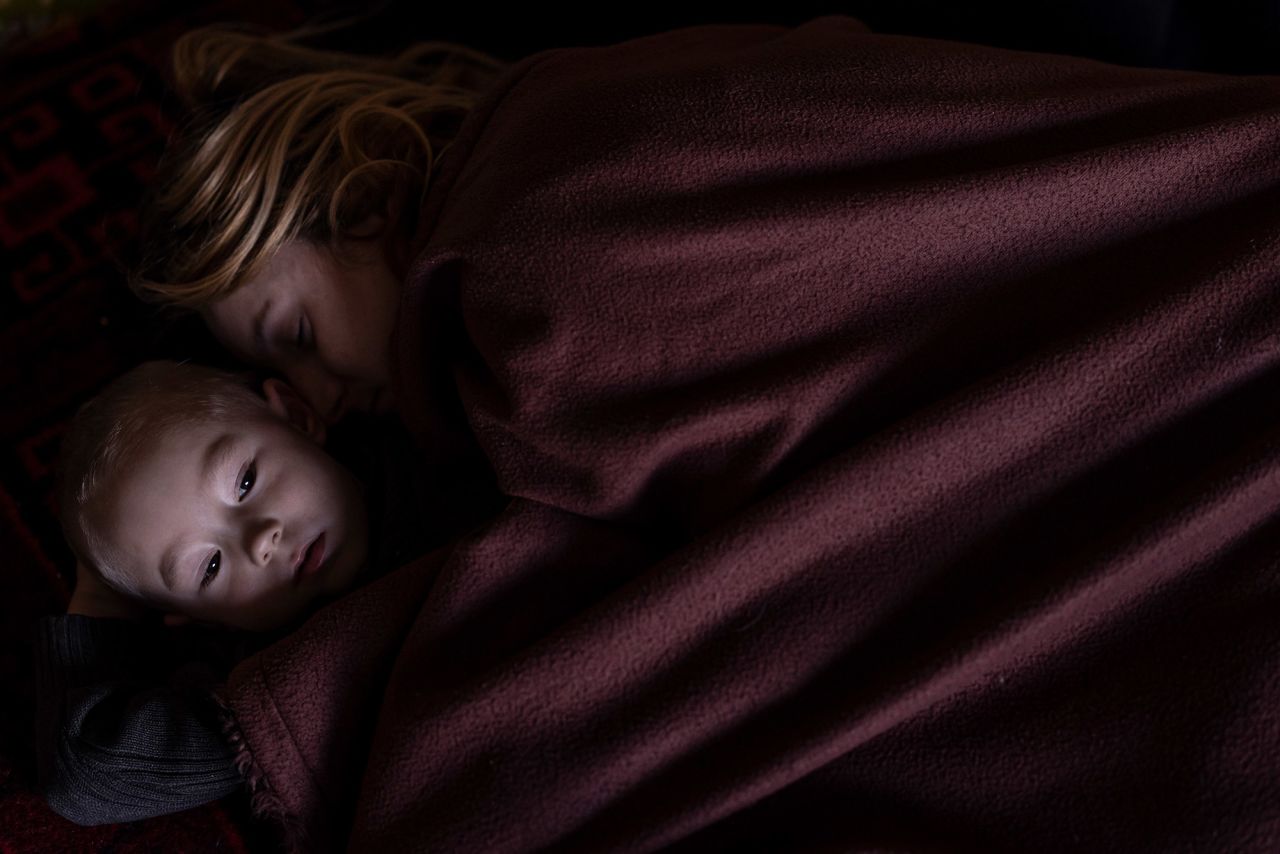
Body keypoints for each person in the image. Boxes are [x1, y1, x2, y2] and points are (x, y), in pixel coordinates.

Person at [33, 359, 499, 826]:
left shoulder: (428, 435)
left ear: (297, 416)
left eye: (245, 481)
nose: (259, 540)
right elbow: (86, 776)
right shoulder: (257, 679)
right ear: (196, 618)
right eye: (210, 567)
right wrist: (99, 599)